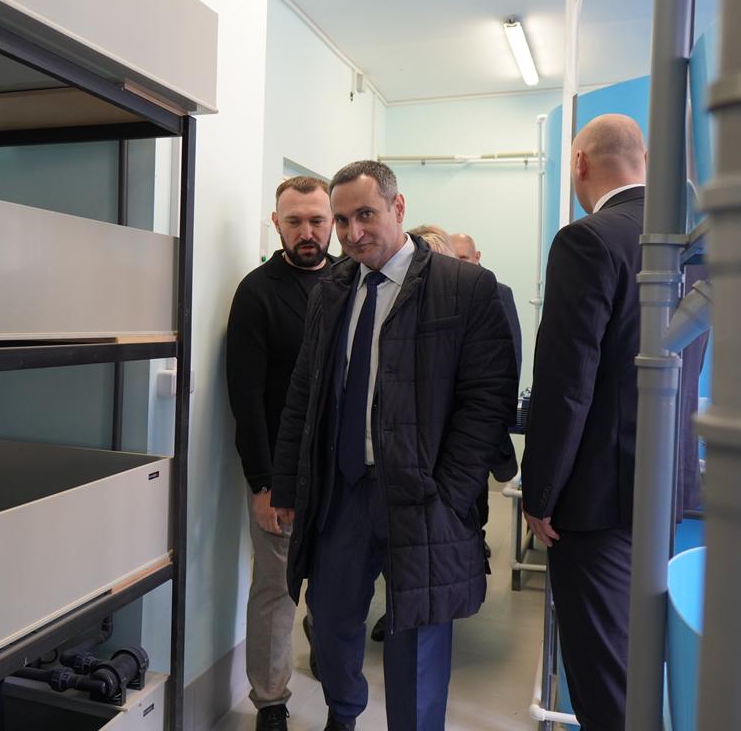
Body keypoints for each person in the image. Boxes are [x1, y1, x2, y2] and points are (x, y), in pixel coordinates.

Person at [272, 161, 518, 731]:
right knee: (331, 618)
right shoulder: (332, 290)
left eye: (365, 215)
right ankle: (343, 715)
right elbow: (305, 393)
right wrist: (287, 483)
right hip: (343, 490)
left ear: (398, 207)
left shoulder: (464, 288)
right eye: (341, 221)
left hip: (423, 494)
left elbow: (488, 400)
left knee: (417, 633)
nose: (352, 232)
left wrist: (452, 491)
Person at [520, 113, 648, 731]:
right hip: (661, 490)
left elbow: (566, 383)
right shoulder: (690, 242)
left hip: (594, 499)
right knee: (645, 658)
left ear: (580, 164)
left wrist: (540, 492)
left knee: (602, 676)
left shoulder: (588, 240)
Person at [226, 176, 334, 731]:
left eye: (317, 220)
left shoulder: (353, 281)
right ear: (276, 224)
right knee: (276, 588)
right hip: (282, 471)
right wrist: (263, 483)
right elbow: (245, 396)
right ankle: (270, 699)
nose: (307, 232)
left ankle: (325, 639)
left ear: (333, 221)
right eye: (294, 221)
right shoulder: (257, 293)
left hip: (343, 467)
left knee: (337, 578)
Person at [449, 232, 523, 560]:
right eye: (452, 258)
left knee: (476, 486)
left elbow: (512, 355)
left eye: (463, 258)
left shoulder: (498, 293)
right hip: (446, 417)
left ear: (477, 256)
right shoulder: (439, 292)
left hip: (478, 414)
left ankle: (476, 539)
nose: (457, 264)